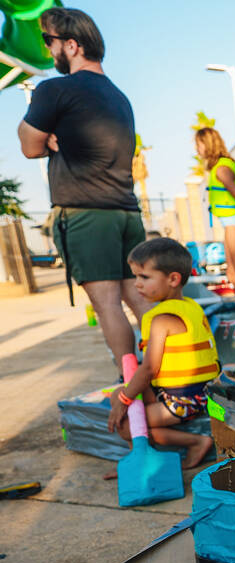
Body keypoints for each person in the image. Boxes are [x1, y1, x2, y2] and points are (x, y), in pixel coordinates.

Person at [17, 7, 150, 368]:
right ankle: (177, 376)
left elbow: (29, 145)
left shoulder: (54, 90)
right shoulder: (120, 98)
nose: (48, 51)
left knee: (107, 305)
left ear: (72, 45)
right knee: (140, 299)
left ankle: (134, 395)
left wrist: (47, 140)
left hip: (85, 215)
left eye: (50, 41)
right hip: (126, 212)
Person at [106, 238, 217, 470]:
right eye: (135, 276)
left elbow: (150, 369)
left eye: (144, 277)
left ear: (173, 279)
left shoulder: (162, 320)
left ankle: (196, 441)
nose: (137, 284)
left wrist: (126, 400)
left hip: (184, 399)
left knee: (126, 426)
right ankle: (140, 454)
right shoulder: (190, 306)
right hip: (192, 389)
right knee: (118, 394)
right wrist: (123, 394)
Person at [194, 127, 235, 298]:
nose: (197, 150)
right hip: (229, 224)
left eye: (199, 145)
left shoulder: (221, 169)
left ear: (208, 144)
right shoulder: (219, 168)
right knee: (232, 275)